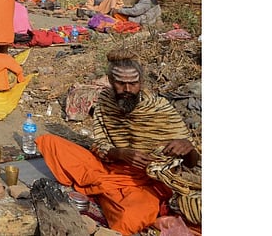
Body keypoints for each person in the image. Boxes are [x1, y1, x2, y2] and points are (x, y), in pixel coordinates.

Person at [35, 49, 201, 234]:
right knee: (49, 142)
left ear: (141, 82)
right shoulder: (105, 101)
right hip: (111, 167)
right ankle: (106, 193)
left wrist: (189, 148)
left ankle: (107, 197)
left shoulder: (160, 109)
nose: (128, 90)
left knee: (129, 218)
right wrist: (120, 153)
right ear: (111, 81)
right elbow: (99, 145)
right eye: (121, 84)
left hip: (147, 181)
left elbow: (190, 164)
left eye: (133, 84)